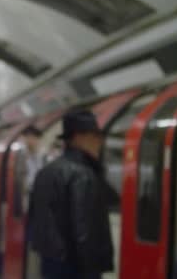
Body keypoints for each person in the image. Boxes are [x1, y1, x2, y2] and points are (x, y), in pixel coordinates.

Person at [29, 109, 113, 279]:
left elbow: (35, 218)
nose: (100, 141)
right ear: (79, 137)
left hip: (51, 262)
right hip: (76, 267)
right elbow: (84, 231)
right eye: (95, 135)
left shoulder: (45, 172)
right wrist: (91, 271)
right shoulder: (83, 174)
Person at [21, 126, 45, 193]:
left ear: (38, 139)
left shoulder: (44, 156)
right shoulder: (20, 158)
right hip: (27, 191)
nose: (30, 140)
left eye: (32, 137)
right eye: (27, 137)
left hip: (42, 190)